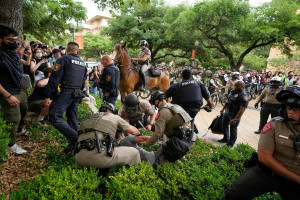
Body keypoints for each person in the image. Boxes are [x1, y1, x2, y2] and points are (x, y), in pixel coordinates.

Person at [224, 86, 300, 200]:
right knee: (233, 195)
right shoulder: (274, 125)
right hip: (269, 173)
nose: (290, 112)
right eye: (289, 107)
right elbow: (265, 158)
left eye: (296, 108)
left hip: (295, 183)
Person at [44, 42, 87, 154]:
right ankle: (75, 146)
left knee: (54, 116)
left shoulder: (63, 60)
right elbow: (83, 82)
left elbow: (54, 78)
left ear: (67, 50)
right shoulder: (83, 63)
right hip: (77, 94)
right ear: (77, 51)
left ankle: (76, 139)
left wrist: (48, 95)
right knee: (72, 118)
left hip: (66, 93)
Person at [75, 102, 142, 169]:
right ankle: (136, 176)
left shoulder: (88, 119)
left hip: (79, 159)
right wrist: (139, 133)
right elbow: (133, 131)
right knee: (135, 153)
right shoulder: (113, 116)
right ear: (111, 111)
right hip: (99, 158)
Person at [0, 23, 29, 154]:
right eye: (10, 40)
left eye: (15, 40)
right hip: (6, 92)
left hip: (19, 89)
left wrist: (24, 47)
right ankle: (10, 144)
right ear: (0, 39)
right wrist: (7, 96)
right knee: (14, 119)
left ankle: (18, 130)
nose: (14, 43)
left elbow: (18, 56)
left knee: (24, 110)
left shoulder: (11, 52)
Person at [146, 90, 195, 165]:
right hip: (191, 137)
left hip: (181, 143)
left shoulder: (162, 113)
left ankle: (159, 171)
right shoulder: (173, 106)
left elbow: (158, 133)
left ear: (156, 101)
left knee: (158, 156)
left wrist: (148, 143)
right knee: (170, 155)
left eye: (153, 102)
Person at [165, 69, 212, 134]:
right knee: (190, 118)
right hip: (195, 108)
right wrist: (209, 104)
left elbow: (165, 96)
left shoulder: (176, 85)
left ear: (182, 77)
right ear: (191, 76)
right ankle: (192, 128)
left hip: (180, 109)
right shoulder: (199, 84)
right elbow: (208, 97)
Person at [219, 81, 249, 148]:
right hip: (227, 111)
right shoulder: (232, 91)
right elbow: (228, 101)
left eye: (237, 86)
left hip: (234, 114)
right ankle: (226, 138)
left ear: (242, 86)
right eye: (235, 85)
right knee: (224, 124)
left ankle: (231, 143)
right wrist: (223, 109)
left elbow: (242, 109)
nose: (235, 87)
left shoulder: (243, 96)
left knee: (233, 129)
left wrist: (235, 119)